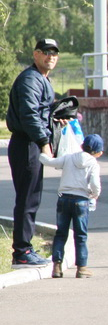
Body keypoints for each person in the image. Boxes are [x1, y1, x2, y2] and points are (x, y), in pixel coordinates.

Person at [6, 38, 60, 268]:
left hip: (30, 144)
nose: (50, 56)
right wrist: (44, 142)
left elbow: (41, 113)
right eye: (45, 52)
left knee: (32, 199)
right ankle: (21, 253)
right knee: (27, 200)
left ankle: (24, 249)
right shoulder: (30, 79)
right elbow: (29, 115)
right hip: (26, 144)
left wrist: (57, 120)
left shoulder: (42, 80)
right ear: (36, 54)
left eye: (54, 53)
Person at [38, 134, 104, 279]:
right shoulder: (93, 163)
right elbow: (95, 183)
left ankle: (56, 267)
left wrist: (42, 150)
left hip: (64, 199)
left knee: (61, 233)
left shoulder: (69, 158)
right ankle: (81, 268)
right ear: (98, 152)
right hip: (81, 201)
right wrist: (94, 194)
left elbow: (50, 161)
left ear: (82, 146)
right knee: (80, 235)